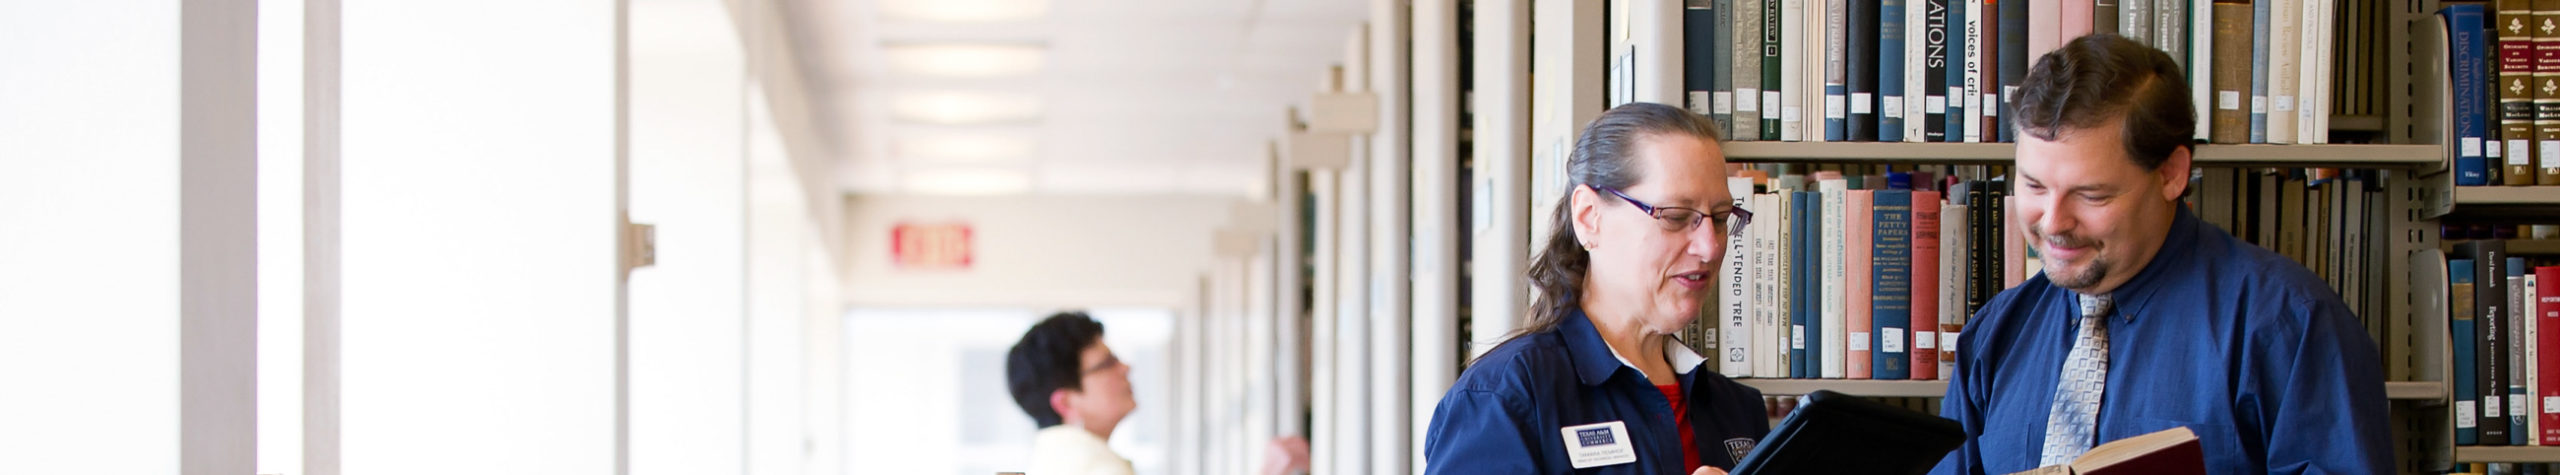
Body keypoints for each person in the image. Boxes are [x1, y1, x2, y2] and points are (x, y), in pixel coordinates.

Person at [1930, 34, 2390, 474]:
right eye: (2033, 186)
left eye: (2091, 195)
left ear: (2172, 174)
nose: (2052, 222)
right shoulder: (1994, 337)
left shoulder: (2287, 324)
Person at [1423, 102, 1769, 475]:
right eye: (1676, 217)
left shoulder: (1736, 409)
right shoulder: (1505, 396)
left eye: (1719, 219)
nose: (1710, 247)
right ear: (1589, 217)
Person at [1008, 311, 1138, 475]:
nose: (1125, 368)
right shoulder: (1101, 469)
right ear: (1065, 403)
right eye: (1107, 364)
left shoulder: (1048, 461)